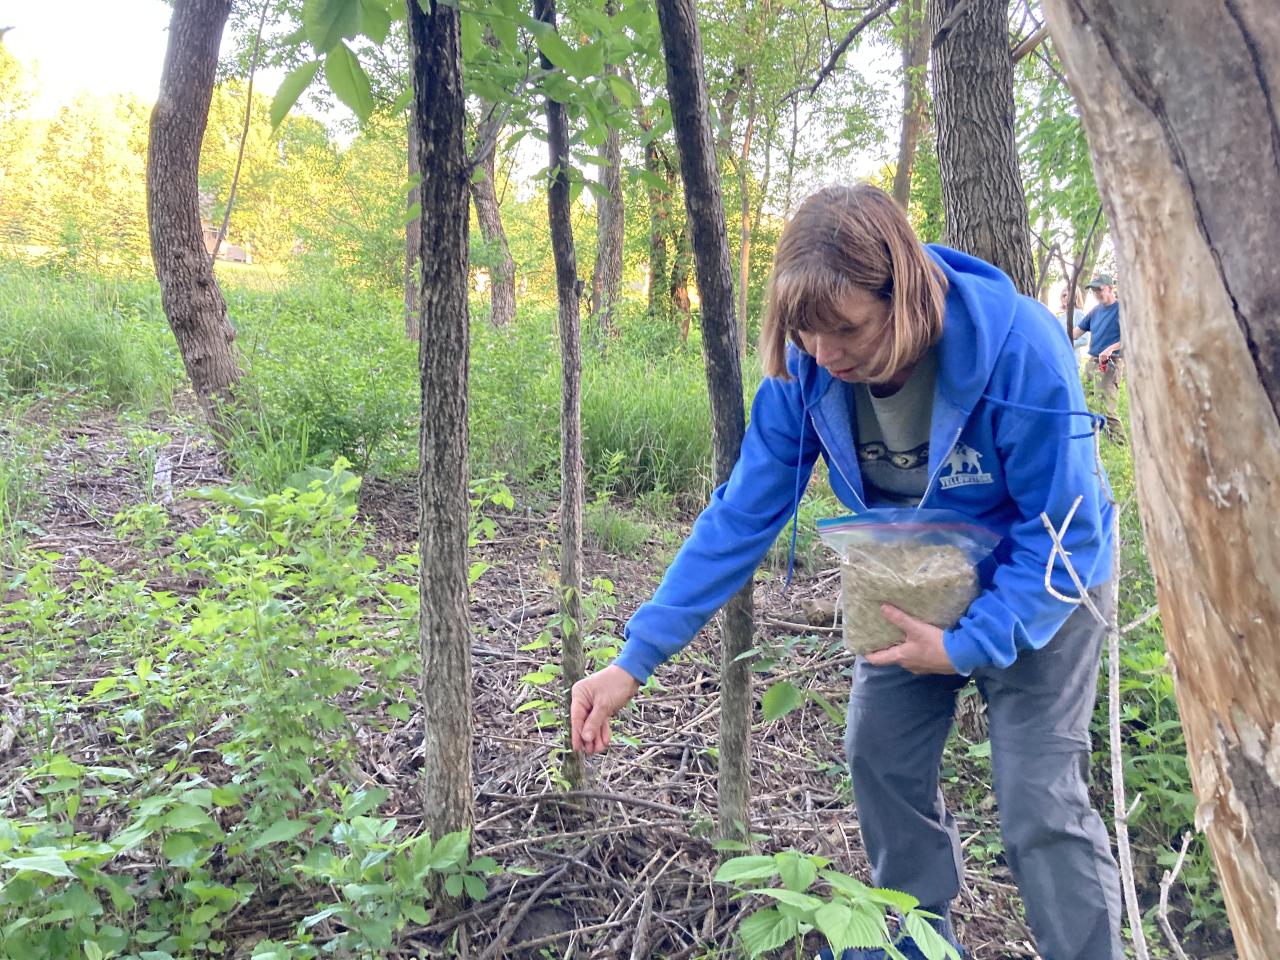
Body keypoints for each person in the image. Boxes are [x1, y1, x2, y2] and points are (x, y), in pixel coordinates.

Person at [570, 184, 1122, 960]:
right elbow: (740, 517)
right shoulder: (806, 371)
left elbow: (1064, 534)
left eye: (847, 329)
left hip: (1040, 585)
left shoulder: (1021, 349)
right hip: (906, 579)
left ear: (904, 293)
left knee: (1039, 800)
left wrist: (969, 645)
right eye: (806, 333)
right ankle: (921, 938)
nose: (827, 354)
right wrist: (633, 661)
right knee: (879, 757)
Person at [1073, 275, 1124, 441]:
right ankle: (1094, 443)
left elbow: (1131, 337)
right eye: (1094, 290)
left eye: (1099, 289)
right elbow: (1075, 333)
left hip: (1111, 363)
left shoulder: (1121, 310)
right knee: (1085, 403)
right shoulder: (1094, 312)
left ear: (1110, 288)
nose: (1096, 293)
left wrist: (1111, 348)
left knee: (1106, 409)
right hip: (1092, 363)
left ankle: (1119, 445)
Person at [1056, 285, 1089, 370]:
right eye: (1064, 295)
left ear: (1075, 297)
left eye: (1069, 295)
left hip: (1072, 362)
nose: (1066, 297)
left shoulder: (1078, 313)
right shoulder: (1060, 317)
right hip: (1060, 360)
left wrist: (1067, 344)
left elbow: (1084, 339)